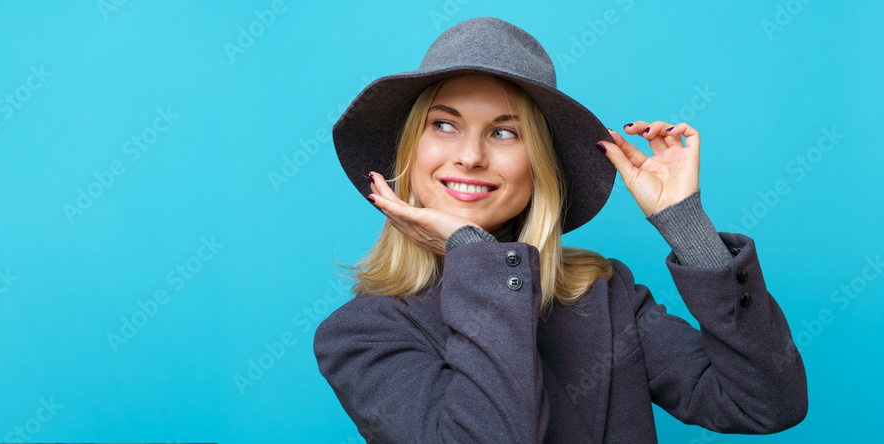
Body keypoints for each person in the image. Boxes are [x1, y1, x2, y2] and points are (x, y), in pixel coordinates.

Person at [313, 17, 807, 443]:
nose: (470, 155)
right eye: (444, 125)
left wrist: (687, 226)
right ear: (409, 152)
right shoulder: (361, 333)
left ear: (540, 168)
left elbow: (767, 405)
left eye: (505, 132)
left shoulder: (604, 296)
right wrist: (475, 255)